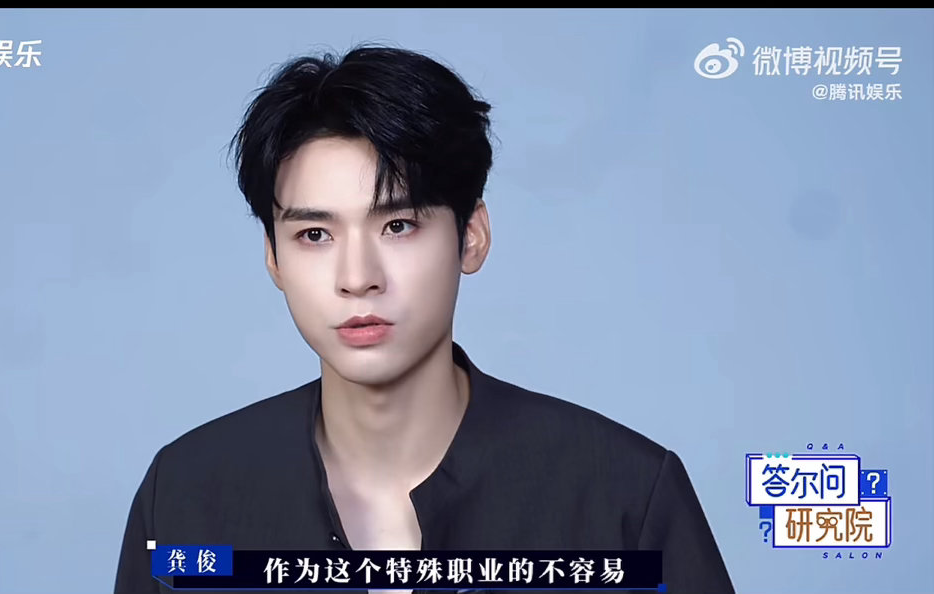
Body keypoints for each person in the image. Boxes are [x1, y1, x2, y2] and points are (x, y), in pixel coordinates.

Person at [114, 44, 735, 594]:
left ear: (471, 236)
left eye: (398, 225)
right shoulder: (186, 494)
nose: (357, 276)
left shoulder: (624, 495)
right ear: (274, 257)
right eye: (314, 234)